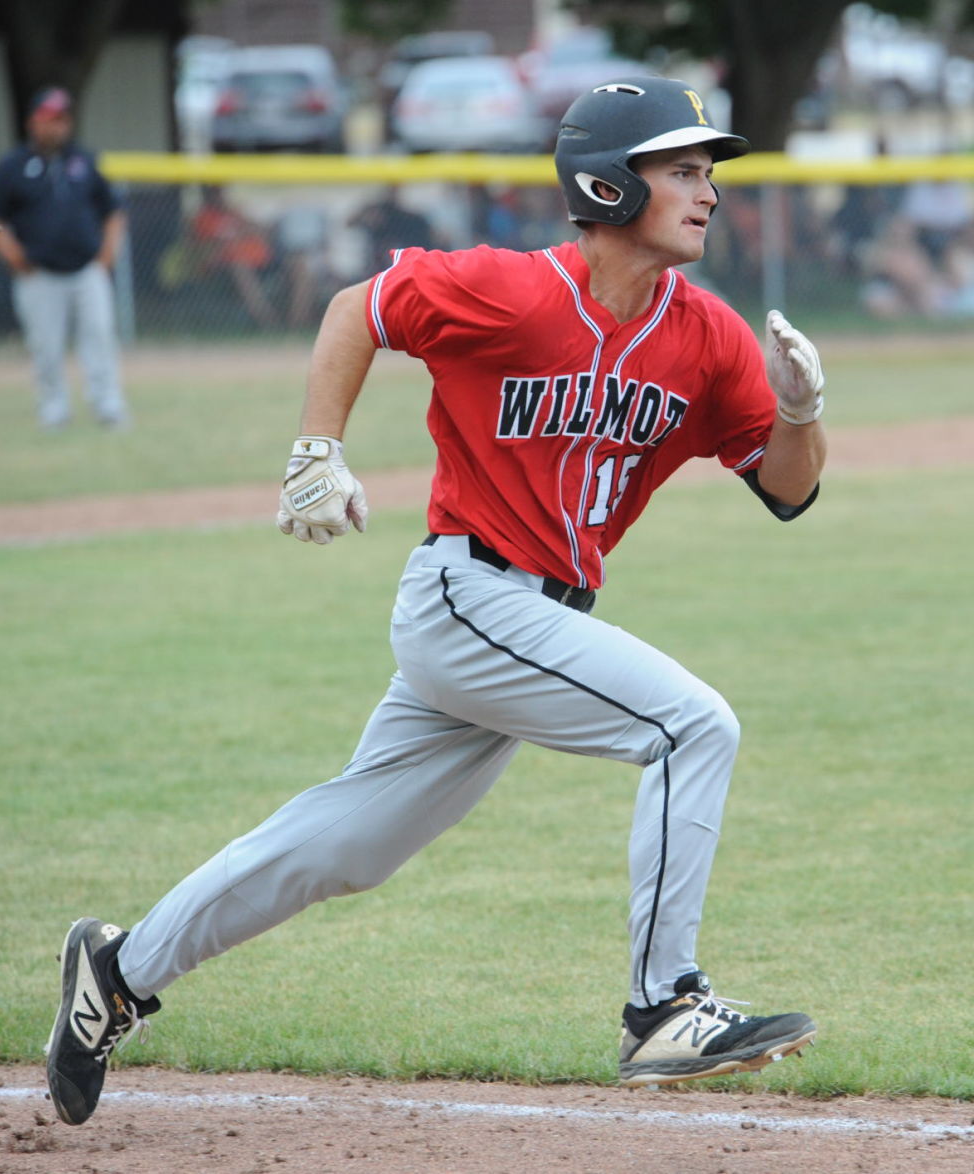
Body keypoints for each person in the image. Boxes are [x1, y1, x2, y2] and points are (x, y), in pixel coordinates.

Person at [41, 76, 827, 1127]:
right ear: (606, 181)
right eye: (681, 170)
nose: (708, 192)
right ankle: (663, 1005)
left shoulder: (708, 335)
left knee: (347, 846)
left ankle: (118, 967)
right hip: (465, 594)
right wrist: (316, 448)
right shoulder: (510, 290)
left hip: (532, 625)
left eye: (707, 173)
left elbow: (787, 489)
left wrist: (799, 409)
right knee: (692, 726)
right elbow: (355, 310)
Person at [0, 87, 129, 430]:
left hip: (87, 270)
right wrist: (11, 252)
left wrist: (107, 254)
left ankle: (108, 407)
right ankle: (54, 411)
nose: (57, 127)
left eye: (62, 119)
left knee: (100, 338)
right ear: (33, 122)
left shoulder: (84, 161)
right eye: (50, 119)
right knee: (45, 347)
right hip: (38, 273)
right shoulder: (12, 165)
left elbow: (114, 212)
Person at [191, 184, 279, 329]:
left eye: (219, 192)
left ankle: (298, 321)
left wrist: (244, 228)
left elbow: (264, 231)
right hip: (227, 267)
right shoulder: (203, 218)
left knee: (298, 263)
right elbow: (206, 249)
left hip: (262, 261)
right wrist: (237, 236)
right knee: (240, 268)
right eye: (213, 192)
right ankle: (267, 321)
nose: (218, 196)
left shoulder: (233, 212)